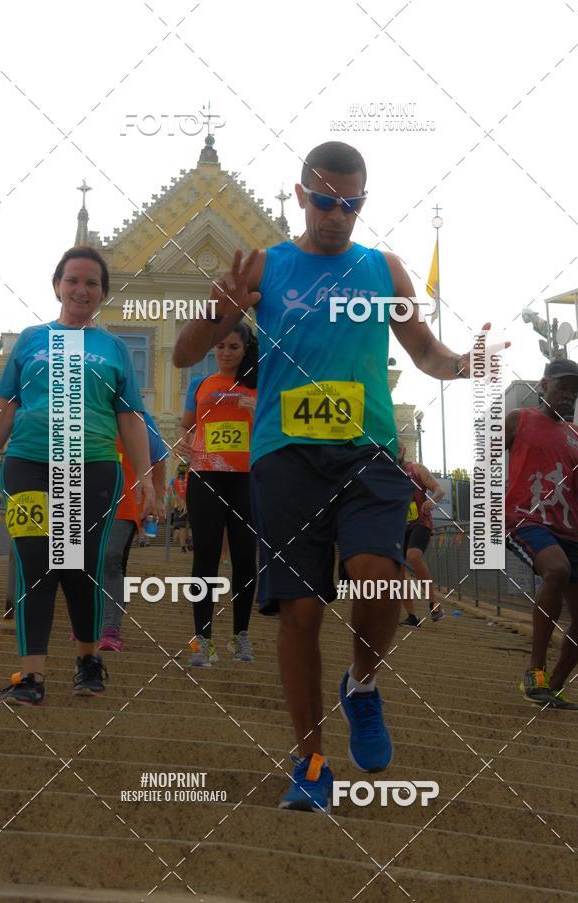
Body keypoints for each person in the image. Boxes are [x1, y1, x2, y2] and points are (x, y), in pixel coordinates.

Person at [173, 141, 487, 811]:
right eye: (325, 201)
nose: (337, 215)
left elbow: (425, 352)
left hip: (368, 452)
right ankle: (311, 762)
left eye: (351, 204)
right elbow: (184, 354)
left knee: (379, 571)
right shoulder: (266, 264)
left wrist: (467, 365)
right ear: (300, 195)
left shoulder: (384, 269)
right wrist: (217, 308)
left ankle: (363, 683)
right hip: (286, 457)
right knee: (303, 610)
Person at [0, 245, 154, 705]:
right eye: (73, 280)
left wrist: (147, 478)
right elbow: (4, 412)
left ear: (102, 294)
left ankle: (87, 659)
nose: (81, 289)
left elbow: (130, 418)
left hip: (92, 466)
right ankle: (32, 676)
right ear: (57, 285)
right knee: (35, 565)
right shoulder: (33, 340)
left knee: (78, 566)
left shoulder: (112, 348)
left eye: (91, 283)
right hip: (29, 463)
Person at [174, 323, 258, 666]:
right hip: (206, 474)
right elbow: (187, 425)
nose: (225, 353)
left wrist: (257, 411)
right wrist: (184, 440)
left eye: (233, 347)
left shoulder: (260, 384)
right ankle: (203, 639)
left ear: (244, 350)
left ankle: (240, 636)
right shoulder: (200, 383)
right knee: (205, 557)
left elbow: (277, 423)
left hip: (247, 478)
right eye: (220, 346)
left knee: (243, 559)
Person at [505, 358, 578, 710]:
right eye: (563, 386)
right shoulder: (520, 420)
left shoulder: (575, 437)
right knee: (557, 570)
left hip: (570, 531)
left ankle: (550, 688)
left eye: (574, 391)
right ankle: (534, 670)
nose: (569, 395)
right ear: (544, 385)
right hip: (526, 520)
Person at [98, 409, 168, 652]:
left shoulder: (139, 417)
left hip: (126, 501)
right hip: (86, 499)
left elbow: (158, 456)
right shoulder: (82, 407)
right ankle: (92, 618)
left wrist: (157, 496)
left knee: (111, 559)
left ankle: (110, 628)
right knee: (87, 563)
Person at [397, 446, 445, 627]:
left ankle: (434, 603)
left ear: (402, 449)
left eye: (395, 449)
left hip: (420, 523)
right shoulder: (386, 475)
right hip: (398, 527)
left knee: (413, 556)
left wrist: (431, 501)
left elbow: (439, 489)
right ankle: (412, 616)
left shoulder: (416, 468)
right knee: (397, 571)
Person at [169, 465, 189, 551]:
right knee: (190, 525)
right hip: (190, 504)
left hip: (179, 506)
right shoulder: (190, 479)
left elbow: (171, 492)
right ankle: (190, 540)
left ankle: (183, 546)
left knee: (181, 526)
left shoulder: (174, 480)